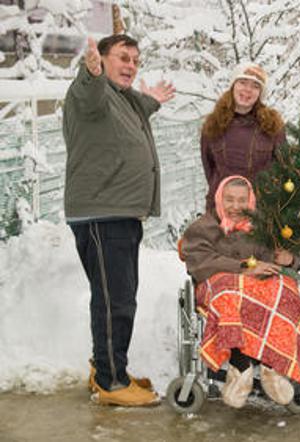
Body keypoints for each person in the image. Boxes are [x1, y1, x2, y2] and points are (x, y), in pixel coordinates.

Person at [63, 34, 175, 406]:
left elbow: (138, 106)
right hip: (102, 214)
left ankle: (108, 368)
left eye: (136, 61)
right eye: (123, 58)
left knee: (119, 297)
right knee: (115, 302)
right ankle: (112, 382)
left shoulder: (123, 99)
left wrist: (154, 100)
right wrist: (90, 70)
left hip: (120, 214)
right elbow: (90, 91)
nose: (131, 65)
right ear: (102, 60)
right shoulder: (91, 94)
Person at [181, 175, 300, 408]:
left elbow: (284, 258)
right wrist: (246, 267)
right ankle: (241, 364)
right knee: (231, 294)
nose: (235, 207)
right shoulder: (202, 227)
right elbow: (200, 262)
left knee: (283, 292)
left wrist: (289, 259)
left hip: (260, 285)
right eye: (229, 200)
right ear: (219, 199)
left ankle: (271, 367)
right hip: (221, 285)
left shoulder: (264, 225)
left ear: (251, 201)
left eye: (242, 201)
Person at [201, 62, 285, 210]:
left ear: (260, 93)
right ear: (233, 85)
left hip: (260, 213)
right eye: (243, 82)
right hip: (221, 209)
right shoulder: (213, 124)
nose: (248, 90)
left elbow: (283, 167)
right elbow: (209, 167)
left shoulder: (273, 126)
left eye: (255, 86)